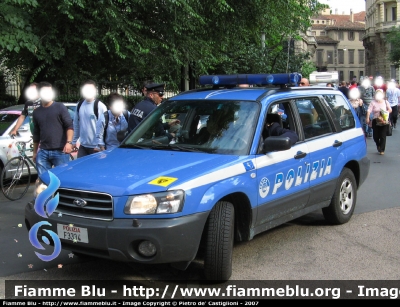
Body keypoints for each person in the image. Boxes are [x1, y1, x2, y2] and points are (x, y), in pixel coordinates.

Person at [32, 82, 74, 176]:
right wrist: (35, 152)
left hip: (60, 151)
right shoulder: (37, 112)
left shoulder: (60, 107)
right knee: (44, 180)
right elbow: (36, 133)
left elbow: (69, 126)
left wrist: (69, 142)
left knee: (63, 179)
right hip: (43, 151)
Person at [72, 80, 107, 158]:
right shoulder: (79, 105)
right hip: (83, 147)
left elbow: (105, 127)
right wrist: (74, 141)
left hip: (96, 147)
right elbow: (76, 124)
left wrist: (100, 145)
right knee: (81, 169)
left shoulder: (100, 106)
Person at [366, 89, 392, 155]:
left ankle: (382, 149)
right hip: (375, 120)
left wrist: (385, 113)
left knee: (383, 136)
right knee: (375, 136)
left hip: (384, 120)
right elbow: (369, 110)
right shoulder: (373, 102)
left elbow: (390, 109)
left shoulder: (385, 102)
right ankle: (378, 145)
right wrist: (367, 118)